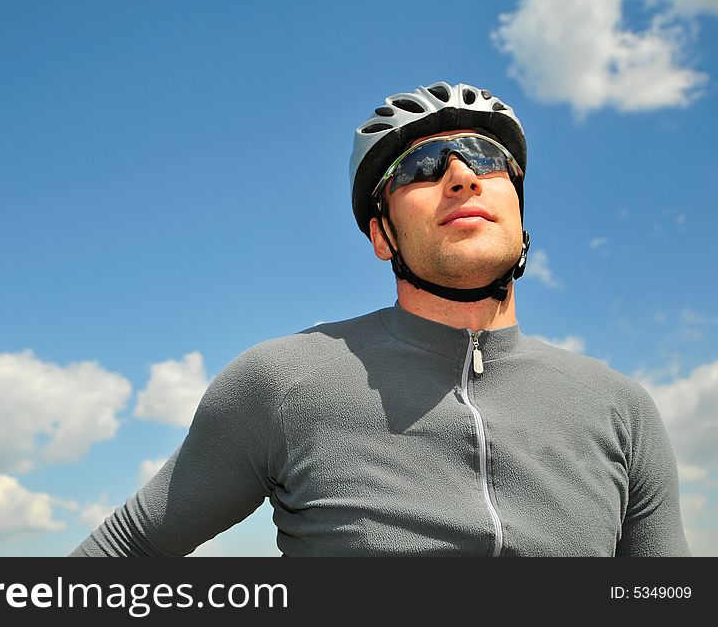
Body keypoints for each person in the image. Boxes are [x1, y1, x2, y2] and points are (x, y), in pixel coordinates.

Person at [71, 81, 690, 557]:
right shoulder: (283, 381)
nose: (460, 175)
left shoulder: (621, 408)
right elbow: (129, 550)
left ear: (519, 212)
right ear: (381, 236)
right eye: (421, 168)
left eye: (485, 158)